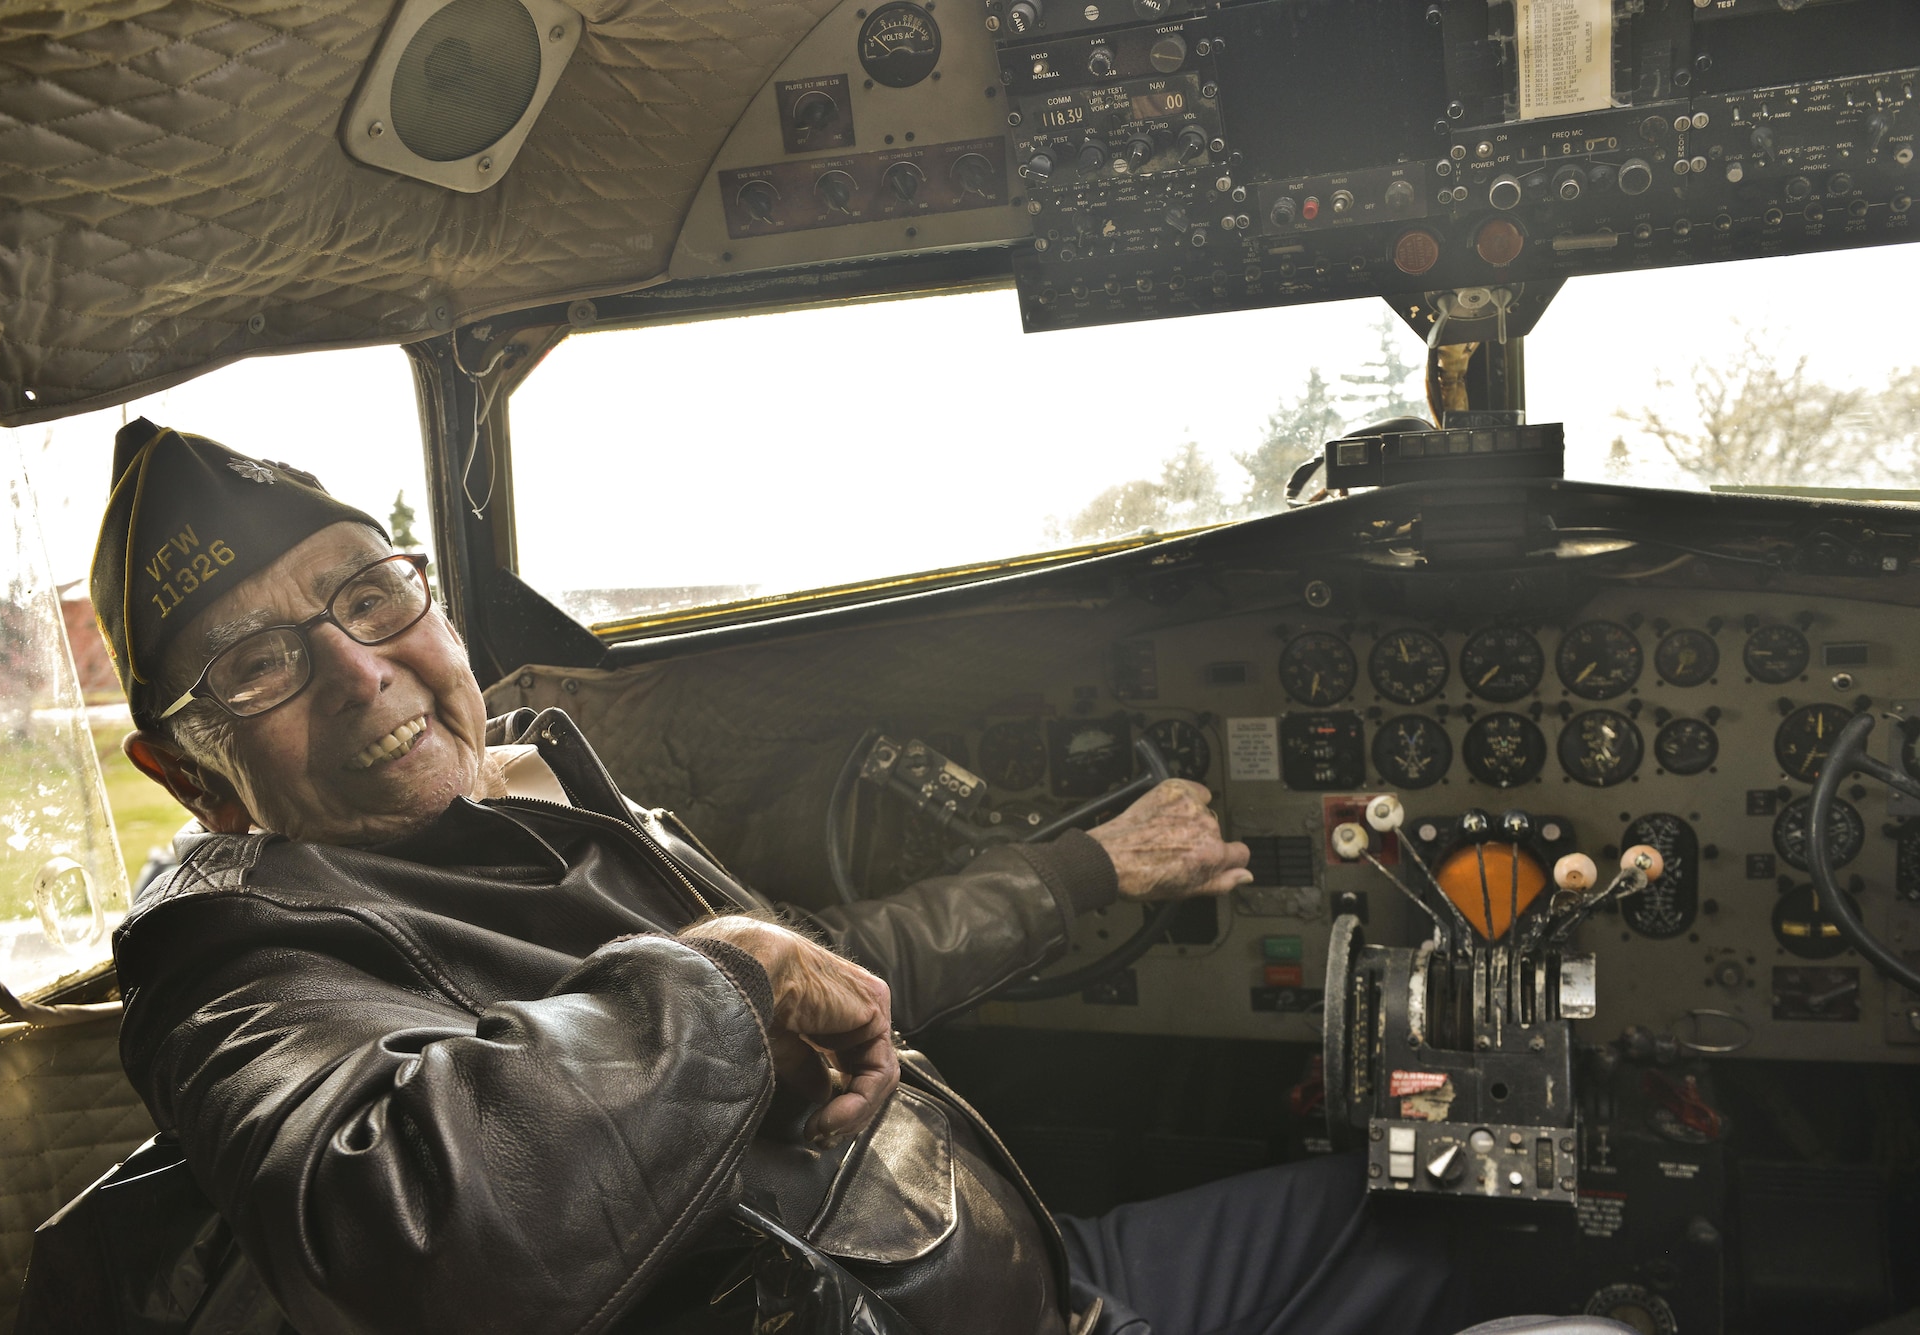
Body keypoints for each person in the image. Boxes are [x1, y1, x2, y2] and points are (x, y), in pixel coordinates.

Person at [94, 419, 1470, 1335]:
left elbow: (828, 960)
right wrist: (729, 978)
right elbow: (394, 1226)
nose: (356, 671)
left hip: (1040, 1277)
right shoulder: (230, 950)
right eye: (259, 664)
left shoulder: (543, 789)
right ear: (186, 770)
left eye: (370, 595)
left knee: (1427, 1209)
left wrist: (1085, 867)